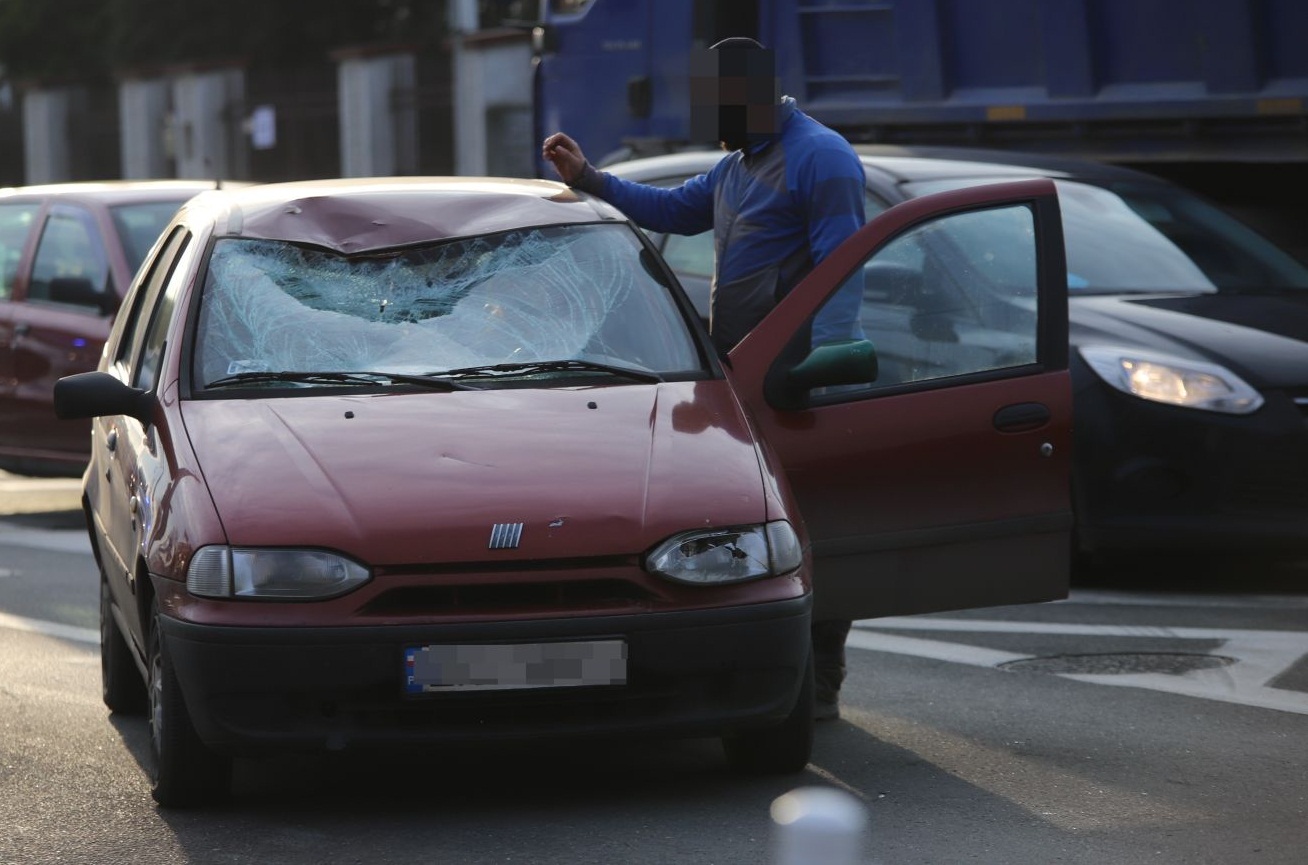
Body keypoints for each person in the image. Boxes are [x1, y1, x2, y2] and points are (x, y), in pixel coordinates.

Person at [542, 36, 860, 721]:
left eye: (718, 106)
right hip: (737, 376)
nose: (709, 121)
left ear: (752, 95)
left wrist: (828, 365)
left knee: (811, 528)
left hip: (797, 379)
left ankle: (821, 675)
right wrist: (591, 179)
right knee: (744, 529)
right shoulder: (736, 167)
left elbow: (841, 271)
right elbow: (670, 211)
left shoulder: (821, 157)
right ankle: (747, 665)